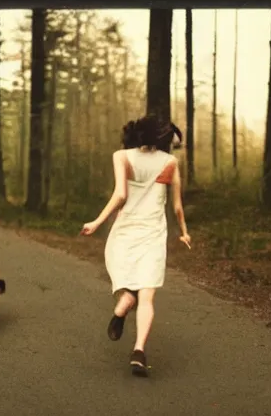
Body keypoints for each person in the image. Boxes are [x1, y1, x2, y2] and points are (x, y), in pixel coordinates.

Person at [80, 115, 191, 377]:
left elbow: (121, 194)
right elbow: (176, 206)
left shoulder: (121, 156)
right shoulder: (170, 163)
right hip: (153, 234)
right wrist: (184, 233)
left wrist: (97, 222)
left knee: (128, 284)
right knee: (147, 296)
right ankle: (139, 350)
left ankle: (123, 305)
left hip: (126, 231)